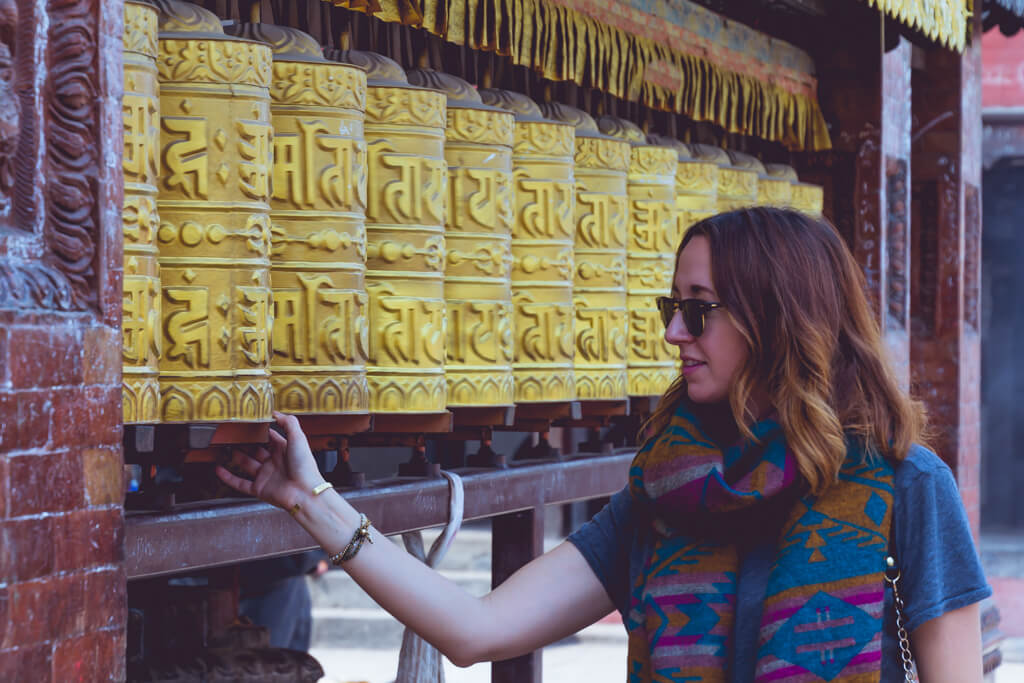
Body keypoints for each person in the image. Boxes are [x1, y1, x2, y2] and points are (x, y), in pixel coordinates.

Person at [217, 207, 990, 682]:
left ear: (777, 320)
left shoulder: (905, 486)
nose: (673, 332)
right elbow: (475, 630)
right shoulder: (664, 496)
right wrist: (309, 502)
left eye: (700, 310)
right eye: (672, 306)